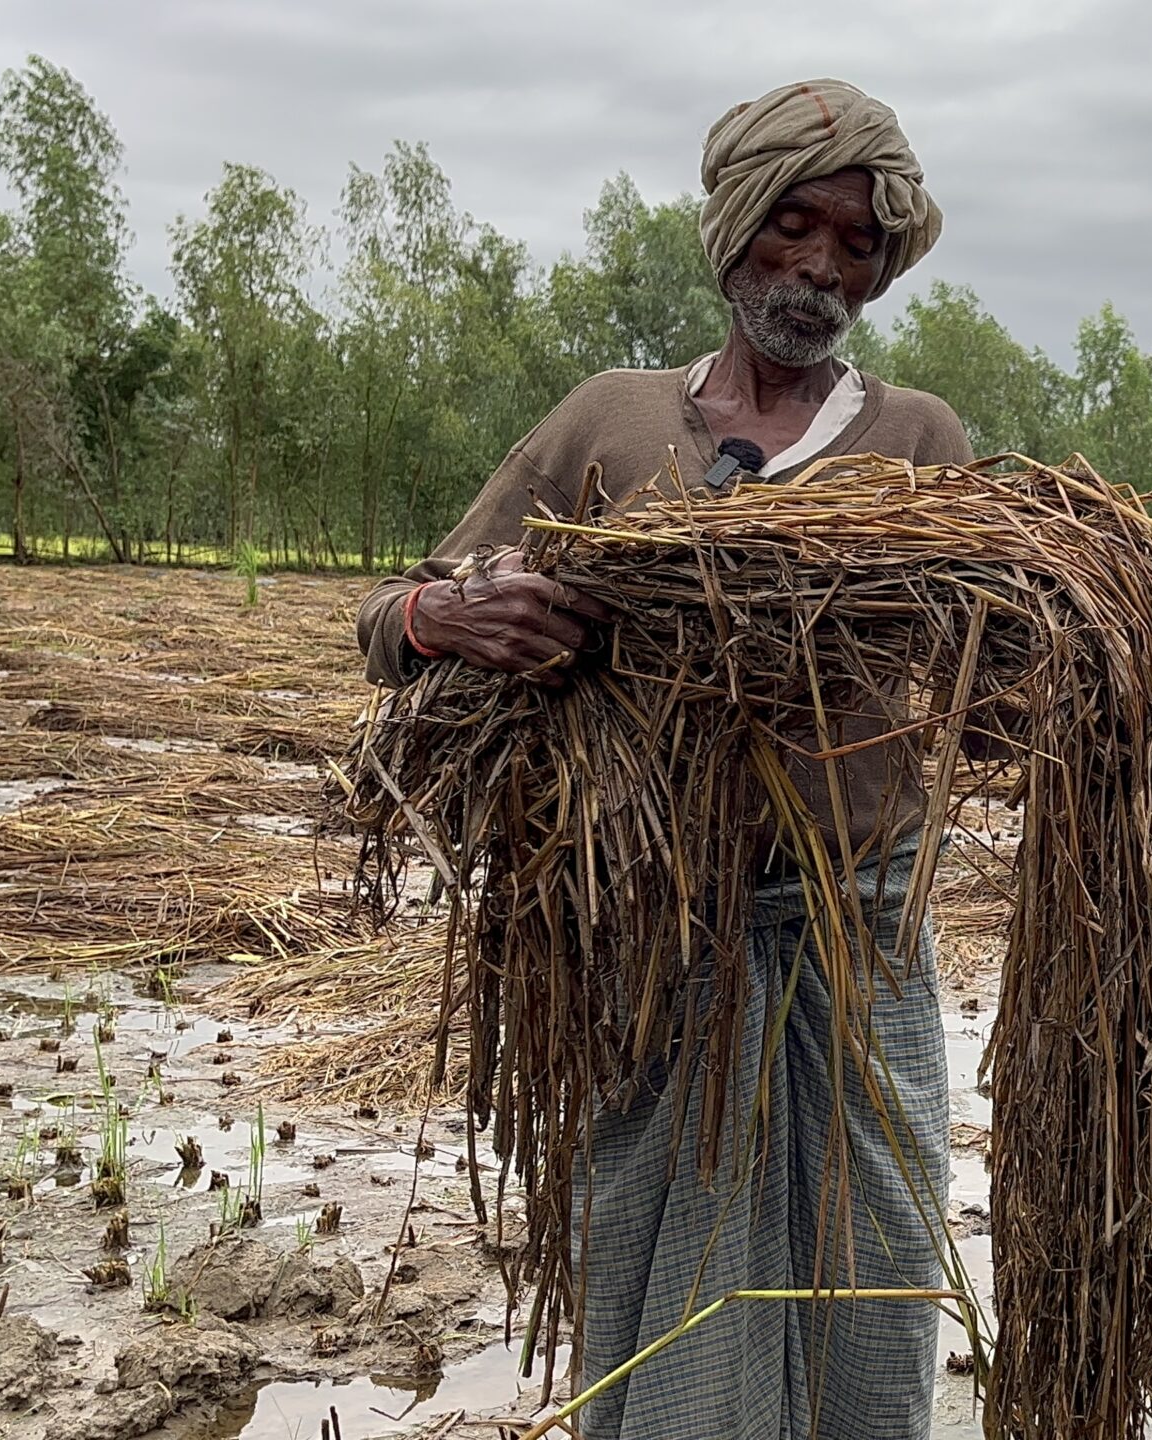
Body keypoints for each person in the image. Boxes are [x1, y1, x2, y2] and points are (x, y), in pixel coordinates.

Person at [355, 79, 971, 1440]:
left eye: (857, 244)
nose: (818, 267)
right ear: (737, 226)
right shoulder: (615, 423)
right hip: (657, 949)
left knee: (866, 1261)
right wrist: (454, 613)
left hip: (855, 948)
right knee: (663, 1260)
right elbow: (389, 620)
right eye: (793, 227)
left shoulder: (919, 445)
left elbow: (981, 696)